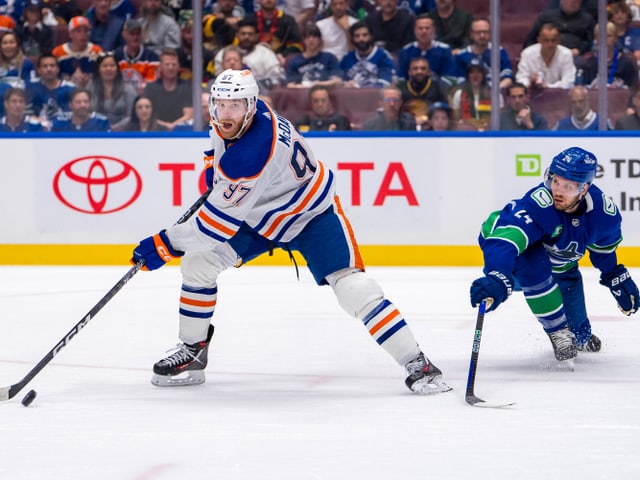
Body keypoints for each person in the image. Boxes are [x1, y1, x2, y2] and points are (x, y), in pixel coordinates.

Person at [130, 69, 451, 395]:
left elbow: (213, 228)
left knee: (354, 289)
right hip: (261, 219)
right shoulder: (245, 116)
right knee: (198, 266)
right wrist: (213, 171)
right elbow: (219, 150)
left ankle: (418, 364)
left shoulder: (252, 154)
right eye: (220, 104)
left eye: (235, 105)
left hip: (311, 214)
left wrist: (164, 244)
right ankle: (193, 350)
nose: (225, 113)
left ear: (251, 105)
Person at [470, 146, 639, 363]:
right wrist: (498, 276)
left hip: (562, 267)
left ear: (584, 188)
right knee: (534, 261)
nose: (557, 190)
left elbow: (602, 250)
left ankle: (577, 335)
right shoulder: (538, 204)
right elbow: (506, 242)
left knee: (580, 335)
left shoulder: (603, 216)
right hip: (512, 258)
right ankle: (557, 332)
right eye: (555, 180)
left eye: (568, 186)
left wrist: (614, 274)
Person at [214, 19, 284, 93]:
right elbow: (218, 77)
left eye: (250, 34)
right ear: (237, 35)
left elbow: (275, 78)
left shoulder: (266, 54)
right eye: (243, 34)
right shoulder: (224, 53)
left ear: (256, 36)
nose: (246, 37)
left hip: (261, 92)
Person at [453, 18, 513, 89]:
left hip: (495, 92)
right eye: (478, 32)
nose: (482, 35)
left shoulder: (499, 51)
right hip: (469, 95)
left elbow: (508, 77)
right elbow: (459, 81)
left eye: (485, 32)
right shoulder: (462, 55)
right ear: (471, 34)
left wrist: (495, 90)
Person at [523, 0, 595, 59]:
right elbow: (530, 40)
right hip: (546, 54)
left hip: (573, 56)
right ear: (562, 1)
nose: (573, 2)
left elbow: (589, 42)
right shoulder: (546, 17)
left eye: (576, 1)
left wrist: (579, 51)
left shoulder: (588, 20)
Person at [142, 47, 193, 131]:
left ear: (178, 66)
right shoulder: (150, 88)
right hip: (155, 131)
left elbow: (189, 114)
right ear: (160, 67)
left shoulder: (187, 87)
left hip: (181, 132)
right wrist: (166, 126)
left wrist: (172, 126)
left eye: (174, 64)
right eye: (167, 64)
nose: (170, 67)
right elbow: (146, 114)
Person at [396, 14, 455, 84]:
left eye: (427, 28)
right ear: (414, 30)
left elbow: (449, 78)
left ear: (434, 30)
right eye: (420, 28)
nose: (424, 31)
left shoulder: (445, 50)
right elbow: (401, 78)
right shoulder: (406, 51)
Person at [516, 23, 576, 90]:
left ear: (559, 40)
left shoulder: (566, 54)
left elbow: (568, 83)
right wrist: (530, 83)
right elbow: (521, 79)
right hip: (533, 95)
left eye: (553, 40)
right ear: (539, 40)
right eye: (546, 40)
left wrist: (547, 86)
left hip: (559, 96)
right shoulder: (527, 54)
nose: (550, 44)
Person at [87, 51, 137, 131]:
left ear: (117, 69)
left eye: (112, 65)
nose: (109, 69)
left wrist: (114, 128)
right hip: (96, 130)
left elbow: (133, 115)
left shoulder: (128, 89)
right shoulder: (91, 87)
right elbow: (86, 111)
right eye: (105, 66)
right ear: (98, 69)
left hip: (122, 133)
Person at [580, 21, 638, 90]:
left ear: (615, 38)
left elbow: (633, 89)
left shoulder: (626, 62)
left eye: (609, 36)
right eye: (601, 36)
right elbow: (583, 87)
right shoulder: (588, 62)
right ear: (595, 39)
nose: (604, 39)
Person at [397, 56, 449, 130]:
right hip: (405, 130)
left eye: (423, 69)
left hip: (432, 130)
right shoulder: (400, 88)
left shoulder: (438, 88)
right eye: (415, 69)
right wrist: (411, 120)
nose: (419, 71)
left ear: (429, 72)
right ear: (409, 72)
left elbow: (445, 112)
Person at [52, 16, 104, 88]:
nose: (83, 34)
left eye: (86, 31)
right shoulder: (58, 52)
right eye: (78, 31)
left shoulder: (96, 51)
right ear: (70, 34)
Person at [26, 53, 76, 128]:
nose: (49, 69)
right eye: (45, 66)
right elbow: (23, 111)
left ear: (58, 69)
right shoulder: (31, 86)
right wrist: (34, 119)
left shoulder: (71, 88)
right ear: (39, 70)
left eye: (52, 66)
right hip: (37, 131)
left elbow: (77, 113)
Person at [285, 23, 343, 88]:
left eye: (314, 37)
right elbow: (290, 85)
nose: (311, 40)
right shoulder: (295, 61)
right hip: (302, 95)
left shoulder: (329, 58)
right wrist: (306, 86)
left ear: (319, 40)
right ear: (303, 40)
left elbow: (338, 81)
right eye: (307, 37)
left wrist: (319, 84)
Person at [340, 21, 395, 88]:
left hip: (376, 96)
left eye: (365, 35)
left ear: (371, 36)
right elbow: (340, 80)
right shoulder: (347, 58)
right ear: (353, 39)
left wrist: (360, 88)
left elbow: (385, 82)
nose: (361, 39)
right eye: (357, 36)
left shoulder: (383, 56)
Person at [115, 18, 160, 95]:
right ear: (124, 34)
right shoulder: (116, 55)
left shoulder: (151, 57)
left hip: (144, 97)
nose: (135, 37)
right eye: (132, 34)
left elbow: (152, 83)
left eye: (138, 34)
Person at [449, 58, 496, 131]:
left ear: (483, 75)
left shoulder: (494, 94)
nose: (475, 75)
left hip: (489, 132)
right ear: (468, 75)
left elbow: (499, 118)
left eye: (478, 72)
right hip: (467, 133)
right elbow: (456, 120)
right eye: (472, 72)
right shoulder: (459, 94)